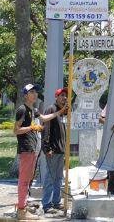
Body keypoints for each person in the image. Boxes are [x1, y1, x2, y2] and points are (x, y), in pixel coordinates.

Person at [13, 83, 44, 220]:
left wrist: (59, 113)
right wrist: (31, 128)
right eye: (31, 92)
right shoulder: (22, 110)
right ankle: (21, 211)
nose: (35, 94)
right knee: (24, 180)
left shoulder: (33, 109)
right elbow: (16, 130)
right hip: (26, 149)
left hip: (33, 148)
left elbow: (43, 118)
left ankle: (22, 205)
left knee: (28, 178)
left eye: (35, 92)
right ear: (25, 95)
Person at [40, 88, 70, 217]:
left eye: (66, 96)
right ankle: (46, 204)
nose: (64, 98)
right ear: (56, 97)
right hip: (52, 150)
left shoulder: (63, 112)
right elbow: (45, 130)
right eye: (62, 95)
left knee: (58, 178)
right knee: (50, 178)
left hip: (61, 150)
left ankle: (56, 202)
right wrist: (47, 148)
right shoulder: (51, 109)